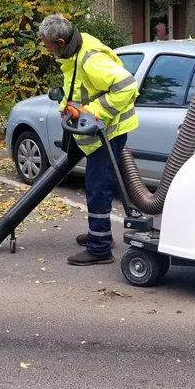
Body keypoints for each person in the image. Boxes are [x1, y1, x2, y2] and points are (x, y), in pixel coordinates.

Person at [38, 14, 139, 266]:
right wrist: (68, 108)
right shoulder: (76, 51)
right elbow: (76, 90)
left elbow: (127, 86)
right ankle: (99, 234)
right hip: (99, 132)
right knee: (99, 185)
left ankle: (100, 248)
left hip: (108, 131)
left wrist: (93, 113)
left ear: (60, 42)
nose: (46, 50)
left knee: (98, 188)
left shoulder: (90, 59)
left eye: (47, 46)